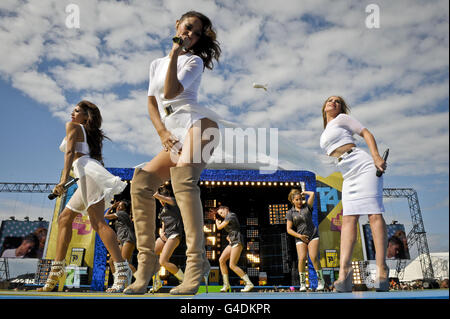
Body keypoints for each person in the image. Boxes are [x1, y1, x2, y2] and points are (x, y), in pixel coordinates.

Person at [123, 11, 221, 295]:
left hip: (199, 124)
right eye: (187, 27)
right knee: (141, 183)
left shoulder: (193, 60)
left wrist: (176, 52)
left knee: (183, 180)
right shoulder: (156, 64)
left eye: (196, 32)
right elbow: (152, 103)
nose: (190, 33)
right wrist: (162, 134)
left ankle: (196, 264)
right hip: (174, 131)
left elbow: (170, 91)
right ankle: (146, 265)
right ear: (177, 25)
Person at [37, 100, 130, 293]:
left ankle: (122, 270)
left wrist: (62, 181)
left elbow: (70, 152)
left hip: (88, 173)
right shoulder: (89, 133)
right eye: (73, 110)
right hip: (85, 174)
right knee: (64, 219)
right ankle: (55, 273)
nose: (72, 113)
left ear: (86, 117)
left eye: (77, 111)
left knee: (98, 223)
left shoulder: (73, 126)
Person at [319, 96, 389, 292]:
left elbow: (365, 132)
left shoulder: (343, 119)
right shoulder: (325, 131)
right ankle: (345, 275)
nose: (333, 102)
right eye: (330, 100)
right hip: (347, 173)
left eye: (337, 101)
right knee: (348, 219)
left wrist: (376, 156)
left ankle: (382, 270)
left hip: (363, 165)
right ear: (324, 107)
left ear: (341, 108)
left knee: (374, 214)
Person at [286, 188, 325, 291]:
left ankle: (321, 281)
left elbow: (312, 194)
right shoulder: (290, 213)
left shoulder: (307, 207)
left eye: (300, 199)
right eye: (297, 200)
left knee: (313, 257)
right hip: (300, 237)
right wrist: (299, 236)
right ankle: (303, 284)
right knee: (302, 258)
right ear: (293, 201)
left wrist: (304, 193)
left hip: (312, 235)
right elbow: (289, 230)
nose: (299, 201)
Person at [149, 182, 185, 292]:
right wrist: (162, 233)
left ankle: (184, 281)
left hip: (175, 234)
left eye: (163, 198)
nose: (161, 201)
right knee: (150, 256)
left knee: (163, 261)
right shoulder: (162, 209)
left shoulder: (174, 202)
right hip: (166, 235)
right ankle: (157, 282)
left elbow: (167, 199)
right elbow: (163, 223)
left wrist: (156, 194)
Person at [215, 206, 254, 292]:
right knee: (221, 260)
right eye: (220, 214)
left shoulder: (231, 215)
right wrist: (229, 236)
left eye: (221, 212)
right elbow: (232, 229)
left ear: (226, 209)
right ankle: (226, 284)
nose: (221, 215)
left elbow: (219, 227)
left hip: (237, 240)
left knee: (232, 265)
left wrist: (216, 222)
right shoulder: (227, 218)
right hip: (232, 241)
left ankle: (248, 283)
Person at [104, 200, 137, 275]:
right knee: (112, 261)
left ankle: (140, 279)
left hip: (128, 239)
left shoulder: (122, 213)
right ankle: (118, 280)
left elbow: (106, 216)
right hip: (122, 240)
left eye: (120, 206)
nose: (118, 207)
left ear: (124, 209)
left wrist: (112, 207)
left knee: (124, 263)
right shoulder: (119, 216)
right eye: (118, 206)